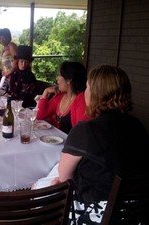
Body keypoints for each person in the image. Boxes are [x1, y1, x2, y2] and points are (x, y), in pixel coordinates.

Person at [51, 65, 149, 224]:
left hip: (98, 216)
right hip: (136, 213)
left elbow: (64, 178)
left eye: (88, 87)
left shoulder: (85, 131)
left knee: (50, 186)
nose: (85, 92)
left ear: (96, 94)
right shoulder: (138, 126)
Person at [36, 61, 88, 134]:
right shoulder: (60, 96)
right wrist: (45, 92)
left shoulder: (81, 99)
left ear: (69, 80)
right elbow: (39, 115)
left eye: (60, 75)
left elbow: (81, 132)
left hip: (71, 143)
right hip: (55, 140)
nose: (57, 78)